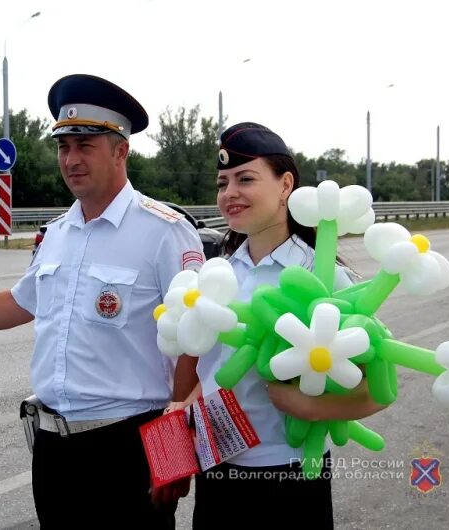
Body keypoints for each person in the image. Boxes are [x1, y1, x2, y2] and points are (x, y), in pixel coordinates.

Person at [0, 74, 205, 528]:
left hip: (126, 448)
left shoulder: (164, 232)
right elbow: (20, 303)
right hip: (53, 448)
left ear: (121, 150)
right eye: (63, 147)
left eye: (85, 146)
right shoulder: (56, 234)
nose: (70, 159)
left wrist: (173, 447)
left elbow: (197, 335)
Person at [165, 122, 386, 529]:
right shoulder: (220, 273)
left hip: (288, 474)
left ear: (285, 185)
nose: (229, 193)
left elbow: (378, 388)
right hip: (218, 470)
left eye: (245, 179)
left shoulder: (320, 274)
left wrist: (307, 406)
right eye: (222, 182)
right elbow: (208, 372)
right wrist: (176, 436)